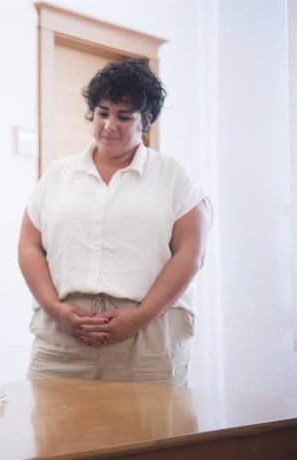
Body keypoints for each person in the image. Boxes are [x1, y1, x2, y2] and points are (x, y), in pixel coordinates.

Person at [18, 57, 211, 387]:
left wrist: (140, 316)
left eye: (124, 117)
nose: (109, 125)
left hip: (148, 338)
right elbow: (29, 246)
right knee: (55, 436)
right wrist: (54, 308)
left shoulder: (174, 176)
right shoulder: (58, 175)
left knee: (151, 436)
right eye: (102, 113)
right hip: (62, 335)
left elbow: (191, 255)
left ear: (146, 121)